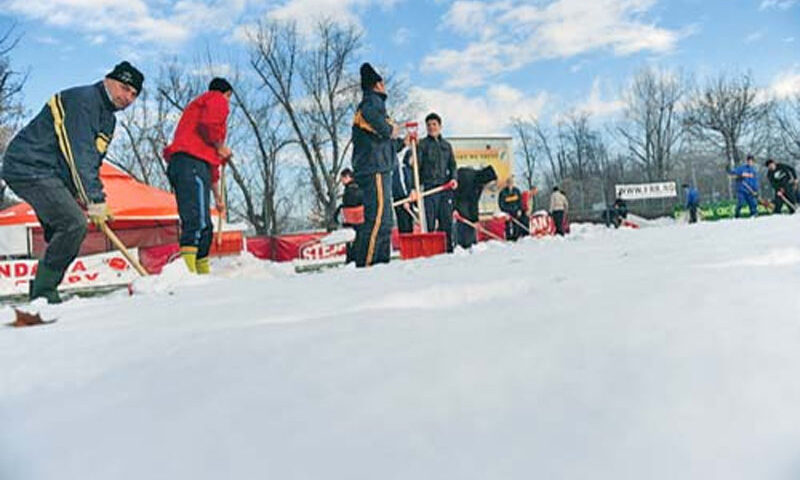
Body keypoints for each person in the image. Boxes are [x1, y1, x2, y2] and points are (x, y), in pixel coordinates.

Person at [1, 61, 143, 303]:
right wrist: (95, 199)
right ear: (108, 80)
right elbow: (79, 154)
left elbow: (93, 162)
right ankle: (44, 293)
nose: (127, 97)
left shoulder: (108, 119)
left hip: (52, 172)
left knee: (63, 228)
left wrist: (81, 195)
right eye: (123, 88)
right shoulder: (84, 101)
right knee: (73, 223)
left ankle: (42, 287)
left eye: (133, 94)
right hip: (29, 165)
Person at [163, 77, 233, 274]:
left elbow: (212, 170)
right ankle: (188, 274)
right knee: (196, 221)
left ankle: (202, 272)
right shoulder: (216, 98)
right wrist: (220, 146)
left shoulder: (196, 119)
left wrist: (218, 199)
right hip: (189, 163)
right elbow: (210, 125)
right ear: (226, 94)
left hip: (194, 166)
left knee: (206, 227)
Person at [350, 63, 408, 267]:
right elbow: (386, 130)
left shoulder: (375, 105)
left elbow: (385, 143)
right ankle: (367, 266)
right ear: (377, 84)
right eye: (382, 82)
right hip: (373, 168)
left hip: (380, 166)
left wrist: (403, 143)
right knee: (376, 221)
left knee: (385, 222)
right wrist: (393, 128)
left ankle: (381, 265)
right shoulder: (370, 104)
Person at [453, 166, 497, 249]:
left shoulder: (480, 185)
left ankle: (471, 243)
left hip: (465, 200)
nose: (489, 186)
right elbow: (456, 194)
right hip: (457, 197)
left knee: (470, 219)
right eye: (490, 183)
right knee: (465, 217)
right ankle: (463, 244)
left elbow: (474, 202)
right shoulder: (468, 177)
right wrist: (454, 207)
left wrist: (475, 220)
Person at [337, 168, 364, 264]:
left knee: (352, 242)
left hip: (352, 220)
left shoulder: (351, 190)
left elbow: (350, 203)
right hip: (358, 220)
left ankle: (351, 260)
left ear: (348, 177)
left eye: (343, 178)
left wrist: (341, 208)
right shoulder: (359, 187)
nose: (341, 181)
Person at [391, 151, 415, 234]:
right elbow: (399, 185)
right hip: (401, 201)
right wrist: (405, 200)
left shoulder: (411, 170)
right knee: (404, 226)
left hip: (409, 200)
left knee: (410, 226)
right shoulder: (401, 169)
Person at [498, 176, 526, 241]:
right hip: (507, 211)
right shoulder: (503, 192)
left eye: (511, 183)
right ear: (507, 183)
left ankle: (516, 236)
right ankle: (508, 237)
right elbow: (501, 203)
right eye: (509, 183)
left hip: (515, 211)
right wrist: (504, 212)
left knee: (516, 224)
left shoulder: (517, 191)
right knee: (507, 225)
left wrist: (520, 209)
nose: (510, 184)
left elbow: (520, 201)